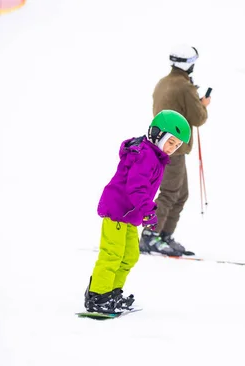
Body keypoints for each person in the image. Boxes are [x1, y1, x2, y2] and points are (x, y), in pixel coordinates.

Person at [84, 110, 191, 313]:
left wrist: (143, 211)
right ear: (157, 134)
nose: (172, 148)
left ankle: (112, 292)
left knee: (130, 255)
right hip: (117, 211)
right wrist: (148, 210)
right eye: (171, 142)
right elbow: (136, 187)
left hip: (129, 215)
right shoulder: (144, 155)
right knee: (112, 254)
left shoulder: (155, 156)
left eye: (176, 145)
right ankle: (98, 295)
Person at [139, 45, 210, 257]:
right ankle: (151, 236)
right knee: (171, 192)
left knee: (180, 193)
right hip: (173, 147)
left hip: (163, 144)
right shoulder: (184, 87)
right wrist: (203, 105)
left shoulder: (164, 82)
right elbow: (198, 118)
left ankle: (164, 235)